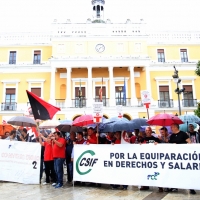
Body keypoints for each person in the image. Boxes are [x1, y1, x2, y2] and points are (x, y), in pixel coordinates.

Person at [169, 123, 196, 195]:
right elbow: (169, 145)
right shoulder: (171, 136)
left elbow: (189, 141)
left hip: (183, 157)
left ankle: (191, 187)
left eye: (172, 127)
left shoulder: (183, 134)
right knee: (175, 172)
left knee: (186, 172)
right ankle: (175, 186)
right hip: (175, 157)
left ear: (175, 127)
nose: (171, 128)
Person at [140, 127, 160, 191]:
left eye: (149, 130)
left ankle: (160, 186)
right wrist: (139, 145)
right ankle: (145, 185)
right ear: (145, 132)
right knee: (145, 172)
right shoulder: (142, 139)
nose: (148, 131)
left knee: (156, 172)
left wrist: (158, 143)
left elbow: (161, 147)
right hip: (146, 159)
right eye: (146, 130)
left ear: (151, 131)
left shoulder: (156, 139)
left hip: (154, 158)